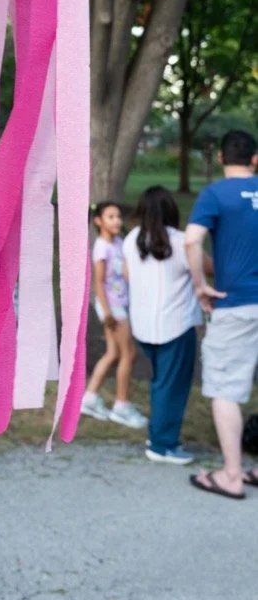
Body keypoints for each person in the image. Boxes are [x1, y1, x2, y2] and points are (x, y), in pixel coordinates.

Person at [185, 129, 258, 500]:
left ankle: (231, 476)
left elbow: (192, 239)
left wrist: (200, 286)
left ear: (220, 158)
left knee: (226, 389)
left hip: (237, 303)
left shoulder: (216, 194)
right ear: (255, 158)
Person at [122, 186, 203, 463]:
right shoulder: (182, 243)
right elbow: (207, 269)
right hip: (176, 326)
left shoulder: (132, 239)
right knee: (172, 387)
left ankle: (157, 434)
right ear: (172, 210)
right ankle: (162, 445)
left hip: (143, 326)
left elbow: (126, 275)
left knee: (160, 383)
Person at [80, 201, 147, 429]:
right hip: (113, 307)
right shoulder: (101, 248)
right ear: (98, 221)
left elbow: (126, 274)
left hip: (122, 303)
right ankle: (121, 405)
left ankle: (88, 398)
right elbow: (97, 283)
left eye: (118, 216)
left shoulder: (120, 243)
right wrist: (107, 312)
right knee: (129, 353)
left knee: (114, 353)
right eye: (110, 216)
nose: (116, 220)